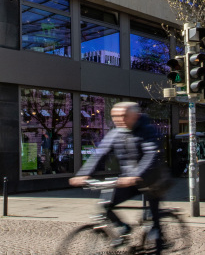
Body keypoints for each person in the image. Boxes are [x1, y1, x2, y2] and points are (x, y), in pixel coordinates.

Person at [70, 102, 171, 252]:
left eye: (124, 116)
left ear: (135, 116)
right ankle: (124, 228)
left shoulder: (147, 130)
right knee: (105, 204)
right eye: (115, 117)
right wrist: (84, 173)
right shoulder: (116, 133)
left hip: (153, 178)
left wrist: (136, 175)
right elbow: (100, 154)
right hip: (128, 179)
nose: (119, 120)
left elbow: (151, 155)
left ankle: (159, 242)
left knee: (154, 220)